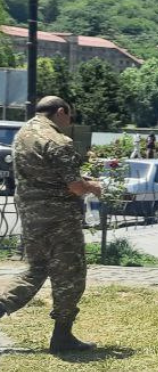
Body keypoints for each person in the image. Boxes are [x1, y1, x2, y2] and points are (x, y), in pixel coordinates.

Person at [0, 97, 101, 353]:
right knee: (70, 274)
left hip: (31, 215)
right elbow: (75, 187)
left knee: (36, 269)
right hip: (60, 219)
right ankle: (62, 335)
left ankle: (1, 306)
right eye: (70, 117)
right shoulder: (59, 141)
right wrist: (93, 186)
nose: (69, 123)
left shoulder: (22, 134)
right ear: (61, 112)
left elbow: (43, 174)